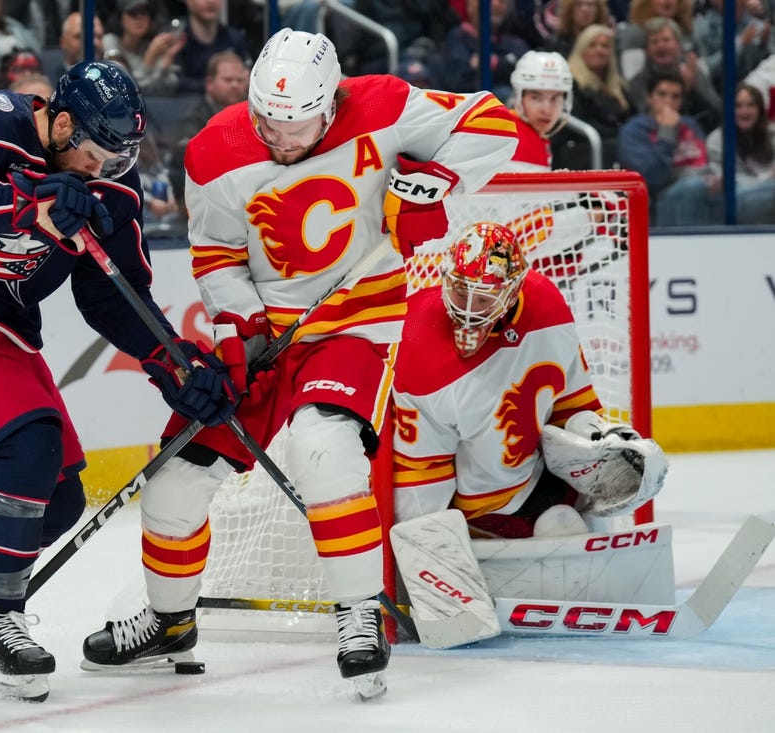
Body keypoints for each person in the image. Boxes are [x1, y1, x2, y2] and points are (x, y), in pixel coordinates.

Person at [78, 29, 517, 696]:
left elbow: (493, 125)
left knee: (324, 446)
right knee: (176, 482)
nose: (278, 139)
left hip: (354, 324)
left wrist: (434, 180)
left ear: (332, 103)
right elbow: (218, 256)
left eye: (295, 126)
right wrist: (241, 330)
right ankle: (170, 624)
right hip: (263, 338)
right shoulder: (213, 152)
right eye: (266, 122)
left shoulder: (386, 104)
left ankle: (359, 615)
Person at [0, 60, 238, 702]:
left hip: (3, 330)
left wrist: (174, 367)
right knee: (28, 447)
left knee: (60, 497)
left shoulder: (105, 195)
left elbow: (115, 298)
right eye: (93, 153)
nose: (101, 170)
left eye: (116, 160)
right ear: (60, 122)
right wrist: (23, 203)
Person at [390, 221, 666, 541]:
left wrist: (597, 436)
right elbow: (420, 473)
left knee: (587, 524)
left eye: (483, 298)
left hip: (535, 479)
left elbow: (570, 402)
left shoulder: (546, 304)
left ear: (513, 290)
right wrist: (427, 544)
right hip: (481, 510)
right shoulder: (412, 337)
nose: (467, 310)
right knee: (563, 530)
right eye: (461, 290)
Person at [618, 69, 712, 225]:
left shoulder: (691, 125)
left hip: (703, 188)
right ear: (649, 98)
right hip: (659, 199)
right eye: (662, 95)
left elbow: (705, 163)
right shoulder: (634, 130)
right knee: (694, 187)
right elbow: (650, 179)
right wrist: (667, 132)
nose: (668, 102)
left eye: (676, 97)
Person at [167, 49, 249, 213]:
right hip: (202, 206)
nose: (235, 85)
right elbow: (186, 162)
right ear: (209, 83)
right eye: (228, 80)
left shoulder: (254, 117)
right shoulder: (192, 119)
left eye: (240, 80)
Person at [553, 23, 634, 169]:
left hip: (614, 146)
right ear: (581, 50)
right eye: (592, 45)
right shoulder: (569, 83)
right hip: (583, 148)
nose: (599, 50)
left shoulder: (618, 87)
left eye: (605, 46)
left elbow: (633, 118)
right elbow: (575, 122)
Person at [626, 17, 721, 134]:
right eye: (654, 41)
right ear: (646, 49)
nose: (660, 46)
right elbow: (652, 119)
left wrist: (693, 90)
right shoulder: (638, 83)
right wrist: (685, 91)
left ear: (678, 45)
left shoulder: (692, 72)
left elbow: (717, 110)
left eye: (666, 40)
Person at [700, 83, 775, 224]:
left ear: (760, 109)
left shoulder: (772, 133)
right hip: (738, 204)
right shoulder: (717, 140)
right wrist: (768, 179)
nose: (744, 112)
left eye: (750, 105)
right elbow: (730, 182)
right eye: (738, 106)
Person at [505, 50, 573, 171]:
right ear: (519, 98)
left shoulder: (535, 136)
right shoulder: (510, 137)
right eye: (536, 98)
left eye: (555, 98)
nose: (546, 110)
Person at [102, 0, 183, 94]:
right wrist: (150, 57)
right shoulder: (111, 41)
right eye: (133, 13)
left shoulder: (155, 44)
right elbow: (129, 89)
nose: (139, 18)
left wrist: (167, 60)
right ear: (120, 18)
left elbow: (169, 86)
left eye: (144, 13)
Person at [172, 0, 251, 93]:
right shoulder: (174, 39)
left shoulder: (235, 39)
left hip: (231, 104)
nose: (211, 1)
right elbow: (172, 84)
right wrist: (215, 85)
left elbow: (248, 75)